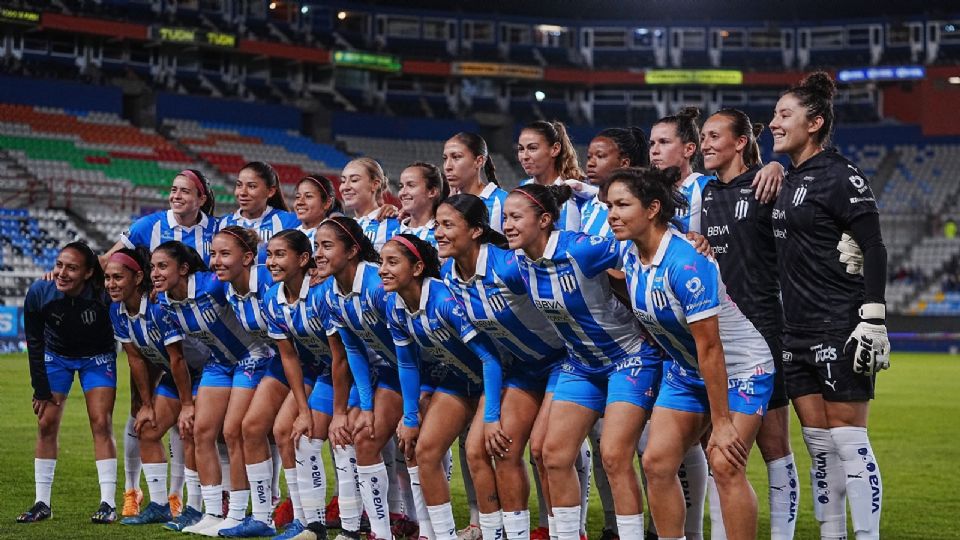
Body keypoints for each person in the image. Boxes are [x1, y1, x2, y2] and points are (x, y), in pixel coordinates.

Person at [606, 166, 775, 540]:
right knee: (656, 462)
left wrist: (723, 422)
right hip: (687, 369)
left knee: (725, 463)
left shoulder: (686, 264)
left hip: (741, 369)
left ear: (651, 209)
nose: (612, 214)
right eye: (609, 206)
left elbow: (711, 347)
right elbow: (620, 282)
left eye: (622, 205)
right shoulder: (628, 252)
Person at [503, 184, 661, 540]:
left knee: (615, 456)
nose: (507, 225)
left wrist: (690, 239)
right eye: (504, 218)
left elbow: (644, 245)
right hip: (581, 364)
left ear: (544, 220)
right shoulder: (516, 263)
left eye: (515, 217)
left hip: (628, 359)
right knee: (554, 455)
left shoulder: (579, 248)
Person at [770, 72, 888, 540]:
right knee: (818, 446)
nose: (774, 123)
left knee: (848, 442)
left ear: (814, 122)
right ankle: (832, 534)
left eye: (785, 115)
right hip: (793, 330)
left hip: (838, 324)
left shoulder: (842, 176)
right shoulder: (786, 178)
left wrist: (873, 318)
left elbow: (874, 247)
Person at [436, 194, 568, 540]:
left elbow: (562, 281)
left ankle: (564, 533)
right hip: (521, 370)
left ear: (476, 231)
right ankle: (509, 535)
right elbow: (487, 354)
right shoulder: (450, 277)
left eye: (448, 224)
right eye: (437, 224)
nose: (438, 232)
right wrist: (492, 413)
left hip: (562, 362)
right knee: (497, 447)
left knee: (542, 449)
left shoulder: (509, 266)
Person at [700, 108, 799, 539]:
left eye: (714, 136)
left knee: (773, 448)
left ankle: (782, 535)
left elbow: (803, 195)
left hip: (764, 330)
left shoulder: (765, 182)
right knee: (719, 452)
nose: (705, 143)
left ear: (740, 142)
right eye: (702, 136)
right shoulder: (705, 193)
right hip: (718, 337)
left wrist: (780, 165)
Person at [105, 168, 217, 518]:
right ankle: (136, 493)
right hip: (158, 328)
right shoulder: (147, 226)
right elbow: (113, 259)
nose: (177, 195)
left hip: (200, 340)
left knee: (196, 428)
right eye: (173, 189)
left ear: (201, 198)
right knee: (141, 414)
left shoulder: (216, 229)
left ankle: (184, 501)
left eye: (185, 190)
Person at [383, 234, 503, 540]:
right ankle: (442, 535)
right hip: (456, 381)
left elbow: (490, 358)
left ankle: (494, 534)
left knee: (477, 452)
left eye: (392, 262)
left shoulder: (444, 300)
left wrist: (490, 416)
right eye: (382, 261)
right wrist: (410, 417)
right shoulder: (394, 306)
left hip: (494, 380)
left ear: (417, 267)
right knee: (424, 450)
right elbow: (408, 365)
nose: (382, 269)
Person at [151, 240, 275, 536]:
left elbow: (256, 278)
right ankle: (212, 513)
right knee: (200, 432)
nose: (155, 273)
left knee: (233, 431)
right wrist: (187, 404)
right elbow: (177, 359)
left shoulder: (213, 285)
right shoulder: (165, 303)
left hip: (253, 356)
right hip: (219, 363)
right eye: (152, 267)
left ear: (183, 269)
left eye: (162, 266)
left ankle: (240, 513)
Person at [315, 216, 412, 540]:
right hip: (384, 371)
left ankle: (415, 528)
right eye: (317, 246)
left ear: (353, 250)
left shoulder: (377, 286)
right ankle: (363, 530)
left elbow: (411, 348)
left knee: (413, 449)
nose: (318, 254)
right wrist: (359, 409)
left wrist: (414, 407)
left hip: (416, 369)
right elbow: (351, 353)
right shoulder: (330, 294)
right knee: (353, 436)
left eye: (327, 246)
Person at [18, 241, 119, 525]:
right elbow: (34, 342)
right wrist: (40, 387)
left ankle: (108, 504)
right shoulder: (40, 292)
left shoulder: (104, 294)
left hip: (97, 357)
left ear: (88, 273)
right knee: (45, 423)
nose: (62, 273)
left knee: (101, 422)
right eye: (59, 265)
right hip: (56, 357)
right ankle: (42, 503)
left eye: (72, 268)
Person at [260, 229, 350, 540]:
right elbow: (289, 358)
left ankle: (354, 520)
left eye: (280, 255)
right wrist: (302, 408)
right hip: (317, 369)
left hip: (348, 369)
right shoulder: (272, 300)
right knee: (286, 430)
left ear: (303, 259)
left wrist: (329, 411)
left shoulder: (323, 294)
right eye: (269, 255)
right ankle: (305, 520)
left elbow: (341, 357)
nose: (271, 261)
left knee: (341, 441)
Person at [104, 246, 203, 526]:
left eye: (118, 278)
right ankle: (159, 505)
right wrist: (146, 405)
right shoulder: (117, 310)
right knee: (147, 429)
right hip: (175, 374)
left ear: (137, 278)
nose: (111, 284)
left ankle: (194, 509)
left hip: (201, 371)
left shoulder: (159, 306)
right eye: (108, 278)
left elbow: (179, 358)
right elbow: (135, 359)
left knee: (191, 432)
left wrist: (186, 405)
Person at [517, 120, 591, 232]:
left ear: (555, 149)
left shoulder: (579, 191)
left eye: (532, 148)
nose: (524, 156)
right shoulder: (522, 189)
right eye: (521, 149)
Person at [218, 161, 301, 260]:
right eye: (239, 185)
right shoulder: (221, 224)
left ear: (270, 191)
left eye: (251, 186)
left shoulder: (291, 222)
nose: (242, 192)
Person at [580, 127, 649, 237]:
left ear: (624, 163)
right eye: (589, 157)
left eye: (600, 156)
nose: (590, 163)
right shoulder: (583, 206)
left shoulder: (638, 212)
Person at [443, 132, 509, 233]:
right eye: (445, 158)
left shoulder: (503, 202)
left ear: (479, 161)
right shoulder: (445, 204)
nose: (447, 166)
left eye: (456, 157)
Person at [340, 157, 401, 250]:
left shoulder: (393, 224)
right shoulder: (342, 228)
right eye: (343, 181)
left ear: (375, 184)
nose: (345, 187)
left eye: (354, 180)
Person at [398, 161, 449, 245]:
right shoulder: (390, 228)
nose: (402, 193)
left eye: (411, 185)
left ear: (432, 192)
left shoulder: (445, 234)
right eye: (401, 186)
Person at [294, 175, 343, 249]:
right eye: (298, 197)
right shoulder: (289, 235)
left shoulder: (336, 235)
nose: (300, 202)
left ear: (327, 203)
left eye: (308, 196)